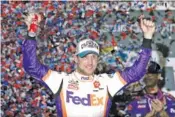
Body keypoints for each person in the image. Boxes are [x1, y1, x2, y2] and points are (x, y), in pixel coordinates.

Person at [22, 13, 155, 117]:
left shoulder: (107, 82)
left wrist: (147, 37)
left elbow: (137, 72)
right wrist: (32, 33)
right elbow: (31, 67)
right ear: (75, 59)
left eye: (93, 57)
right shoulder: (61, 80)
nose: (90, 62)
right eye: (84, 57)